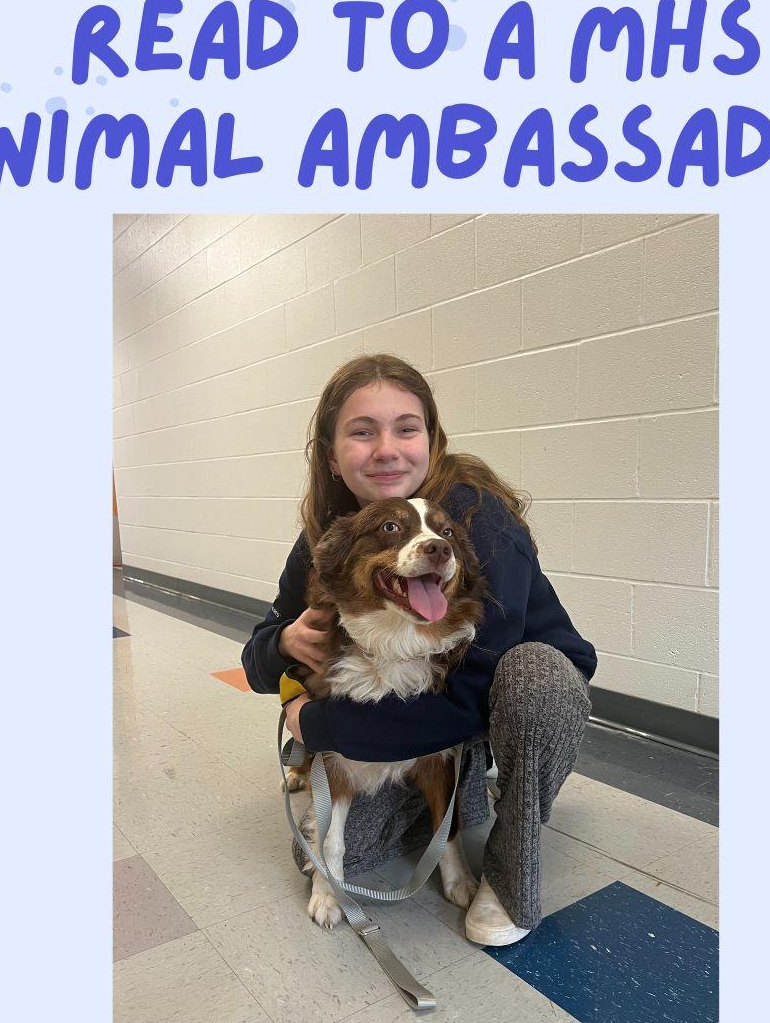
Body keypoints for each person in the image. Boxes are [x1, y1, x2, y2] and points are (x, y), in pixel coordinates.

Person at [241, 354, 596, 945]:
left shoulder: (478, 523)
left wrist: (319, 723)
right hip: (401, 705)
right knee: (327, 860)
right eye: (362, 431)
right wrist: (281, 643)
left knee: (535, 681)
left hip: (499, 698)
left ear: (431, 440)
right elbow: (259, 658)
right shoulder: (328, 537)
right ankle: (453, 798)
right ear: (331, 456)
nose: (386, 448)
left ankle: (511, 869)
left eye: (407, 428)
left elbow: (469, 695)